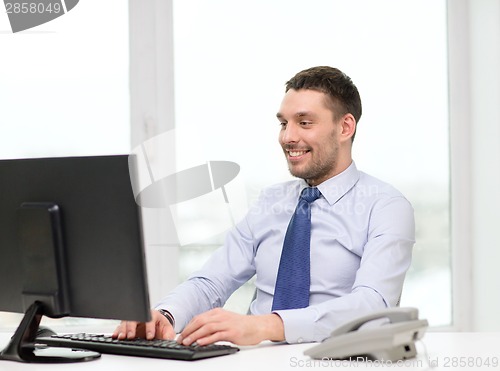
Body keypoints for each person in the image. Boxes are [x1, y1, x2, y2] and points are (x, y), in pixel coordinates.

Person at [113, 66, 415, 346]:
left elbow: (374, 304)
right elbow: (212, 281)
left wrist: (265, 326)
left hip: (330, 358)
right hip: (255, 359)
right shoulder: (271, 201)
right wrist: (165, 314)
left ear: (345, 127)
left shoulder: (386, 206)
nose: (288, 137)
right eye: (284, 123)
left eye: (304, 123)